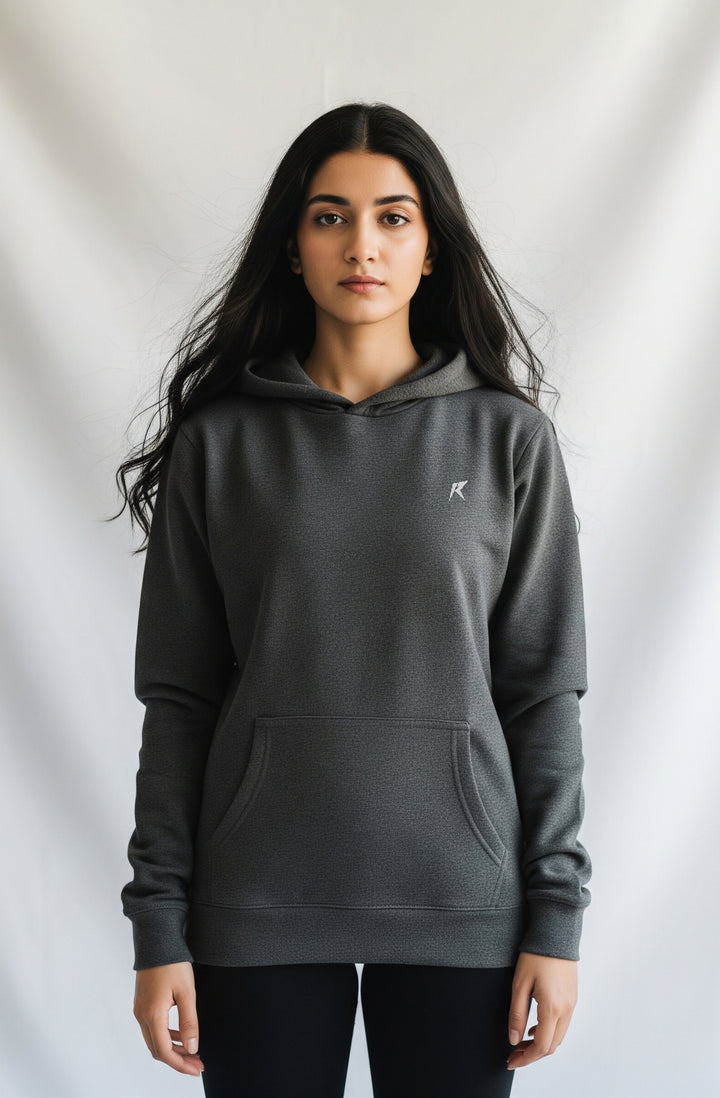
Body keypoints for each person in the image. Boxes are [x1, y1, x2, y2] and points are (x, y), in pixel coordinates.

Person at [113, 101, 592, 1098]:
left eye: (393, 218)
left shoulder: (508, 442)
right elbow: (181, 700)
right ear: (292, 247)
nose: (361, 245)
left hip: (463, 902)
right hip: (257, 901)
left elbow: (543, 694)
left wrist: (556, 920)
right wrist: (158, 924)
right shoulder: (221, 445)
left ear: (431, 248)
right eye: (329, 216)